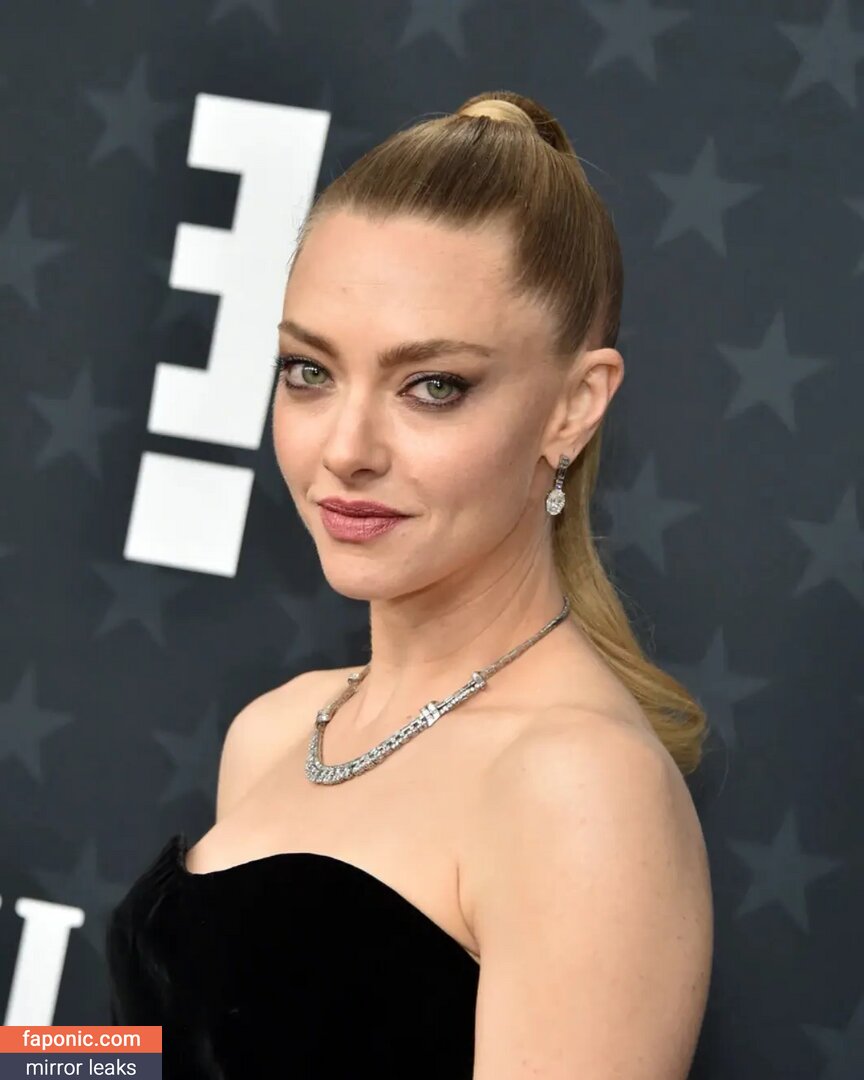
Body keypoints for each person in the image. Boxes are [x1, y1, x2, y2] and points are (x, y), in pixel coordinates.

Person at [105, 89, 714, 1079]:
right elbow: (178, 1053)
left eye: (433, 386)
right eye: (309, 371)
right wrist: (39, 1055)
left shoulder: (579, 790)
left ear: (574, 406)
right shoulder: (277, 731)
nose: (346, 449)